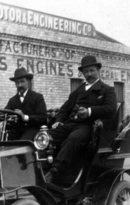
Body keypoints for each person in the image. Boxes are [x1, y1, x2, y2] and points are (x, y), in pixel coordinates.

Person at [45, 55, 117, 185]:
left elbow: (111, 109)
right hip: (70, 124)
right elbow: (65, 108)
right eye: (86, 71)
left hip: (87, 127)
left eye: (91, 70)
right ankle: (40, 169)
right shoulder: (78, 90)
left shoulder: (107, 90)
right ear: (82, 73)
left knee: (73, 138)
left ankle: (54, 171)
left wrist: (89, 112)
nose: (89, 74)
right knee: (44, 137)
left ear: (98, 70)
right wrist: (58, 121)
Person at [0, 67, 47, 141]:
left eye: (22, 81)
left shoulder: (37, 97)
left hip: (32, 130)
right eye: (17, 82)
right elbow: (5, 114)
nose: (19, 85)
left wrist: (24, 117)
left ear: (28, 82)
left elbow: (42, 117)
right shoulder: (12, 100)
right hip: (16, 132)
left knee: (21, 144)